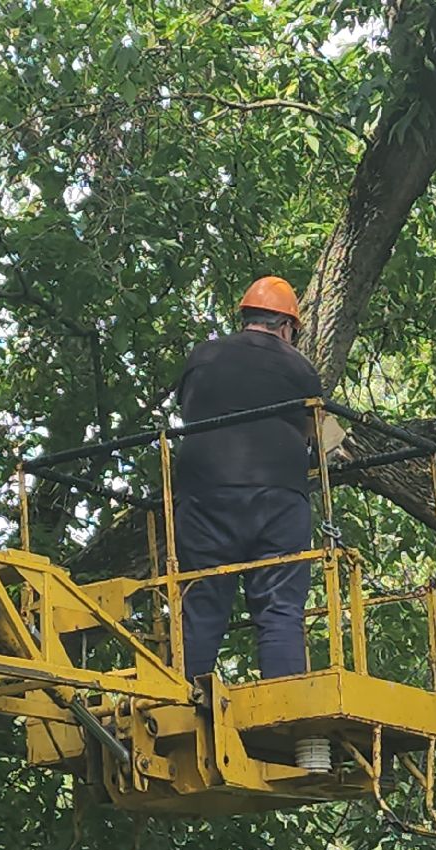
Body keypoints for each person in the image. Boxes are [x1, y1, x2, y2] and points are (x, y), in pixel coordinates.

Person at [172, 275, 326, 682]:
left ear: (246, 317)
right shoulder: (299, 366)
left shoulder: (203, 356)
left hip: (204, 494)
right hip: (277, 499)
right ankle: (287, 708)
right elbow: (319, 435)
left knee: (201, 602)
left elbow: (190, 409)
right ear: (287, 326)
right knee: (279, 608)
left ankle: (180, 706)